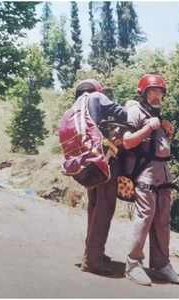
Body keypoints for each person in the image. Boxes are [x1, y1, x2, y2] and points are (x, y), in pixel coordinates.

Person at [122, 74, 179, 286]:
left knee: (163, 220)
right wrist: (149, 127)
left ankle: (161, 264)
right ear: (144, 92)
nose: (157, 95)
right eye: (153, 91)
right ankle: (133, 264)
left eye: (160, 92)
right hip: (144, 172)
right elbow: (127, 141)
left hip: (163, 174)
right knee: (145, 217)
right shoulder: (135, 112)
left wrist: (166, 129)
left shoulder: (157, 114)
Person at [78, 79, 127, 275]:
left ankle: (92, 251)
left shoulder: (79, 106)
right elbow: (123, 114)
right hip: (104, 161)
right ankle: (93, 260)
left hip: (88, 162)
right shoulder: (97, 97)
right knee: (105, 207)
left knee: (94, 206)